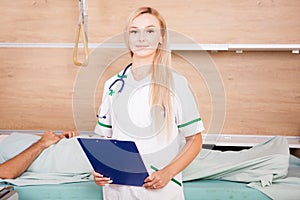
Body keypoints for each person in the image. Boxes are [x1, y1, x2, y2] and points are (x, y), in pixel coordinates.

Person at [92, 7, 204, 200]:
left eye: (150, 31)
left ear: (161, 37)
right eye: (134, 31)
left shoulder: (175, 83)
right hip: (118, 190)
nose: (141, 38)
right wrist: (99, 168)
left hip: (159, 190)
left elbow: (195, 140)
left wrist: (168, 172)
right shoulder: (113, 84)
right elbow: (104, 137)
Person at [0, 131, 78, 179]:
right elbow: (6, 173)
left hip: (66, 144)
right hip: (65, 155)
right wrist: (42, 143)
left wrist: (59, 138)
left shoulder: (6, 138)